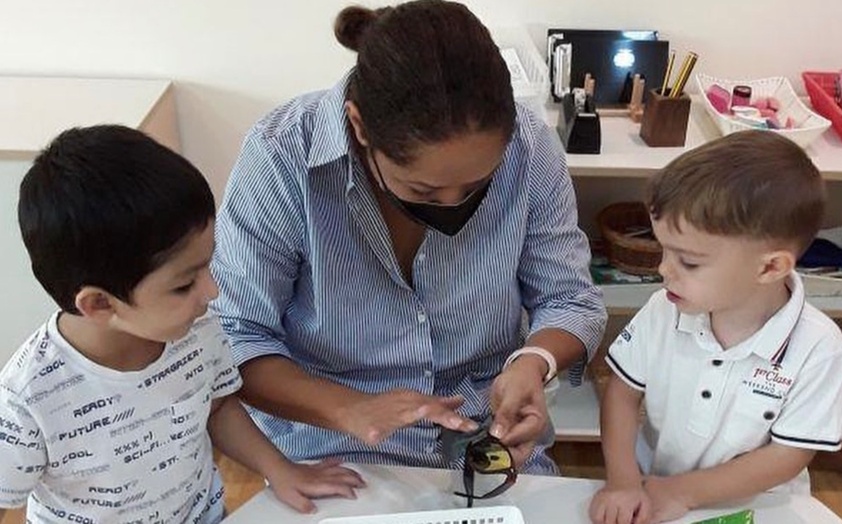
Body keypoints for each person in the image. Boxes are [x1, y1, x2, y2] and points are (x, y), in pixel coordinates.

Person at [211, 0, 606, 476]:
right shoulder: (281, 156)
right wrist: (348, 408)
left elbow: (570, 300)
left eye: (479, 184)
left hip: (483, 435)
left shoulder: (531, 148)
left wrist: (533, 363)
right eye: (423, 190)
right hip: (327, 446)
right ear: (359, 126)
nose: (453, 204)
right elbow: (236, 335)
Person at [0, 126, 365, 524]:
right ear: (100, 303)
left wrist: (279, 469)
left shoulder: (195, 331)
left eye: (208, 265)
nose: (212, 291)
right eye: (184, 283)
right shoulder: (28, 399)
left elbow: (219, 404)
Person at [589, 130, 842, 524]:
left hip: (758, 506)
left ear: (770, 267)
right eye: (663, 249)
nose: (663, 269)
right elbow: (623, 392)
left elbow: (789, 454)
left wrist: (687, 493)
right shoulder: (666, 309)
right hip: (656, 488)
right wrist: (623, 480)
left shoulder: (819, 346)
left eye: (688, 262)